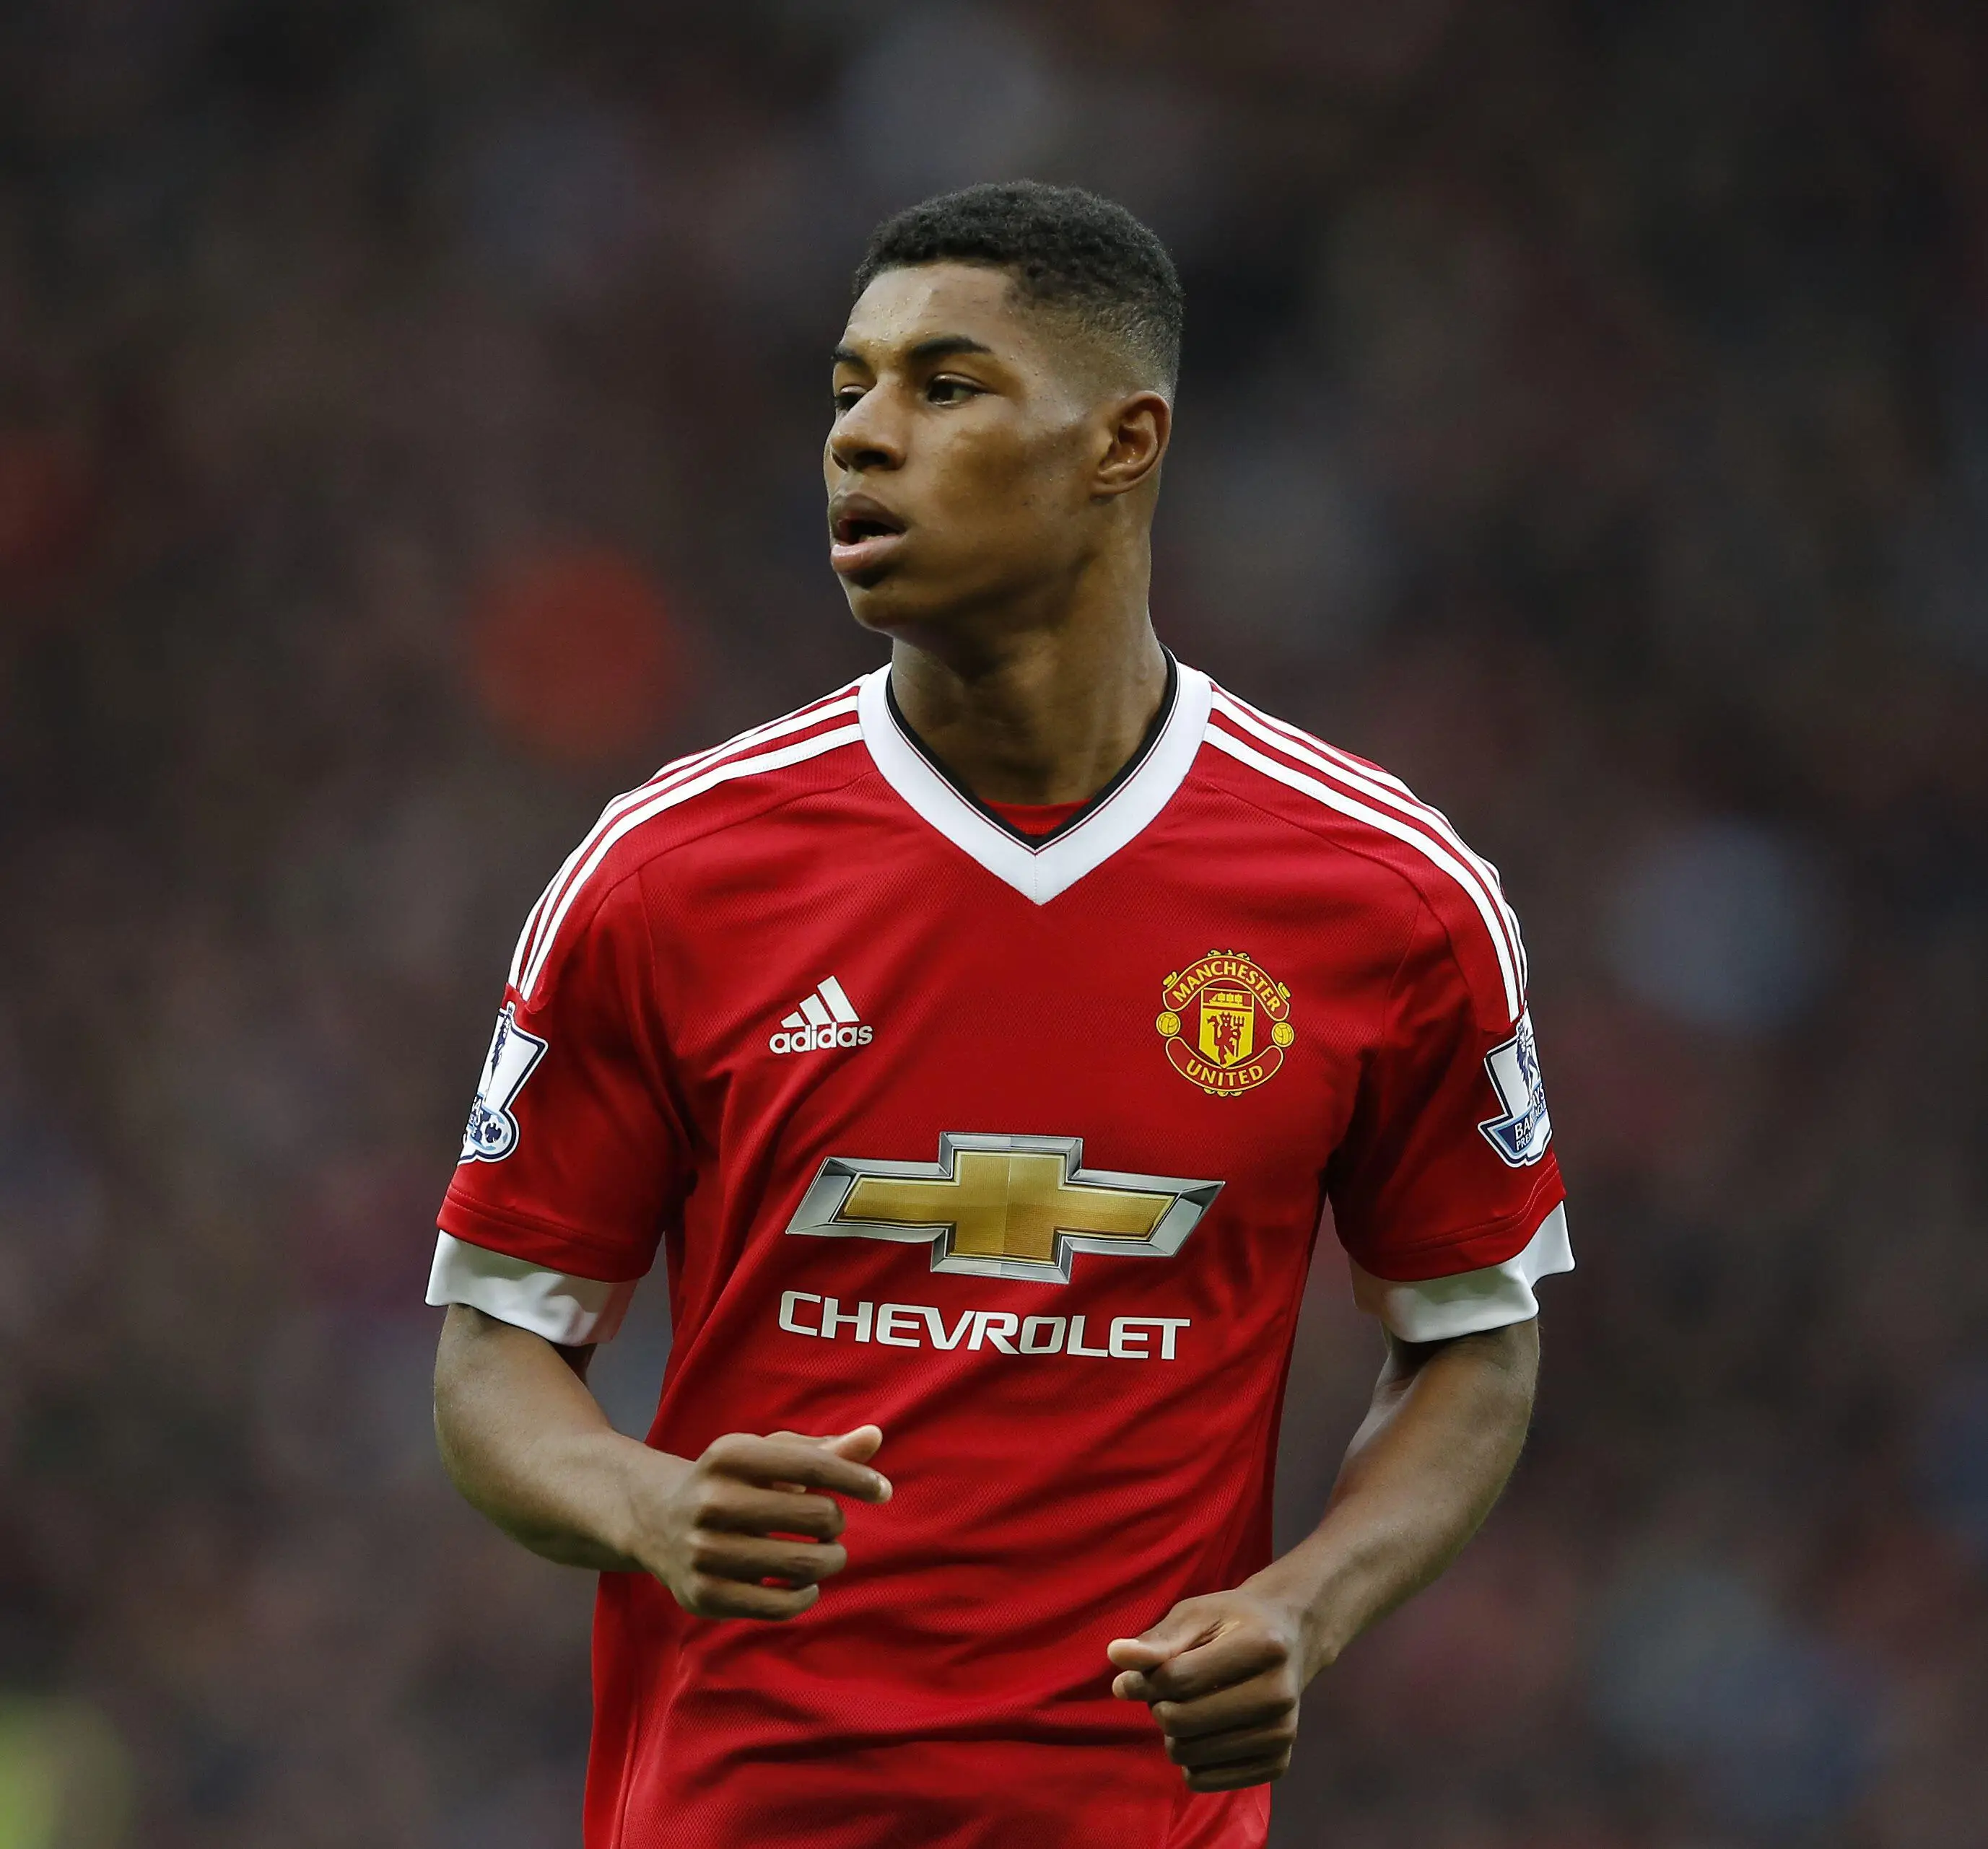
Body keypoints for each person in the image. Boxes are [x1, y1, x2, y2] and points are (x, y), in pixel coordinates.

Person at [427, 180, 1571, 1849]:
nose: (861, 442)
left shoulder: (1384, 895)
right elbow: (490, 1350)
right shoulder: (669, 872)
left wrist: (1307, 1607)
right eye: (848, 392)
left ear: (1124, 443)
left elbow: (1476, 1339)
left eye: (943, 387)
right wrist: (648, 1500)